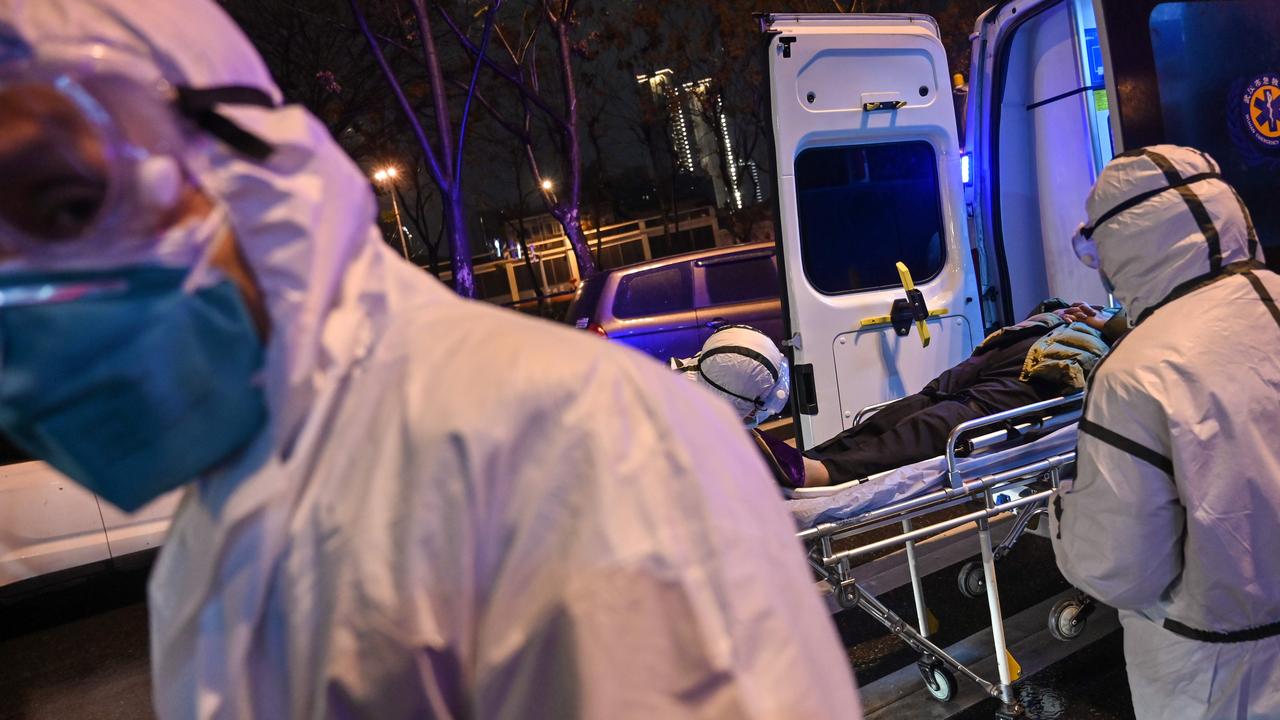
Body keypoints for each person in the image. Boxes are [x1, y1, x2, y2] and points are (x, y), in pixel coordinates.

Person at [0, 2, 863, 718]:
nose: (31, 317)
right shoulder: (215, 535)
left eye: (67, 206)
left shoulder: (570, 447)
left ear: (243, 159)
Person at [1050, 145, 1280, 719]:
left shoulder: (1136, 375)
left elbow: (1121, 569)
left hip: (1220, 678)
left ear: (1123, 246)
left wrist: (1060, 511)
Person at [754, 301, 1124, 489]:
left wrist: (1103, 322)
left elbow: (1135, 325)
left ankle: (825, 473)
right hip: (1041, 336)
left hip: (1063, 360)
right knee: (924, 400)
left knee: (956, 415)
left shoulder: (1164, 297)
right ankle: (810, 459)